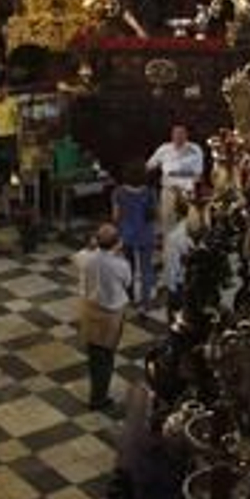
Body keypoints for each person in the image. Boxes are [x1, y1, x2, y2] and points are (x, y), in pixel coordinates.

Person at [74, 223, 132, 411]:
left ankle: (96, 394)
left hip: (90, 310)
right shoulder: (120, 264)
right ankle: (99, 398)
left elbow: (77, 257)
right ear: (117, 243)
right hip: (111, 315)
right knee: (106, 357)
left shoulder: (86, 259)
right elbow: (127, 281)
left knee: (94, 355)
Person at [112, 162, 157, 308]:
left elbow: (116, 216)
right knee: (146, 269)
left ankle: (129, 297)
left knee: (128, 267)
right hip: (146, 234)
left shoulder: (118, 192)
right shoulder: (150, 192)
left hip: (127, 235)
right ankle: (146, 301)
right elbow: (154, 214)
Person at [145, 122, 205, 230]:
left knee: (189, 226)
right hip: (169, 192)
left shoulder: (195, 149)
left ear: (186, 135)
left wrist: (173, 173)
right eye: (176, 133)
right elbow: (149, 166)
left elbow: (198, 173)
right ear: (171, 135)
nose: (178, 135)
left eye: (181, 133)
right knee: (168, 225)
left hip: (188, 193)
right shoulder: (164, 149)